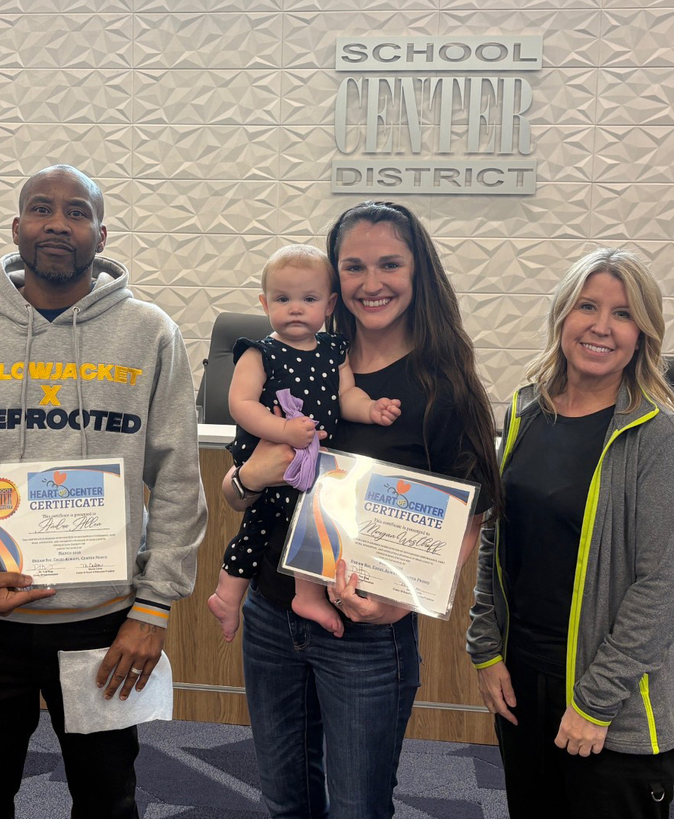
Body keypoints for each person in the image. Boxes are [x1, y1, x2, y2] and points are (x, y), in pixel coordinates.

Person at [0, 164, 207, 818]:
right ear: (17, 227)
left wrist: (152, 610)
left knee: (108, 799)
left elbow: (176, 478)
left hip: (104, 628)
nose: (58, 223)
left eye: (77, 212)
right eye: (41, 208)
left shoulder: (150, 335)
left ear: (101, 233)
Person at [224, 201, 501, 818]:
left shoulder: (441, 383)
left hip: (368, 632)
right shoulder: (296, 353)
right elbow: (236, 491)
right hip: (272, 612)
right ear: (333, 280)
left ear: (418, 271)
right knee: (283, 801)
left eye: (389, 264)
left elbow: (471, 509)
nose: (371, 283)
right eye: (353, 267)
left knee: (357, 807)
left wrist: (408, 598)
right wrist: (247, 477)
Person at [467, 248, 674, 819]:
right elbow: (499, 536)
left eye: (623, 313)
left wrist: (593, 704)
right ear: (562, 315)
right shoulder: (526, 409)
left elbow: (662, 589)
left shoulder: (658, 436)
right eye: (587, 306)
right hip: (524, 684)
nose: (601, 325)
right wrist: (487, 646)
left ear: (643, 333)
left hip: (612, 704)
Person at [207, 244, 400, 642]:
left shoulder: (333, 350)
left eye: (308, 299)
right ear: (264, 303)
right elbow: (240, 404)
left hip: (312, 460)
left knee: (292, 525)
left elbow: (346, 396)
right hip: (275, 454)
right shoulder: (260, 352)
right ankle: (256, 596)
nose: (295, 308)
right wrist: (284, 433)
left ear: (329, 305)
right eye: (283, 299)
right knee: (278, 525)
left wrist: (371, 410)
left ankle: (266, 595)